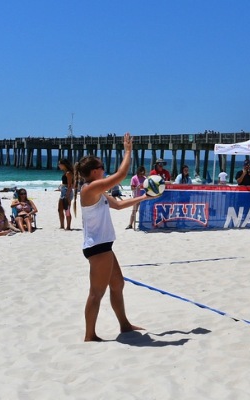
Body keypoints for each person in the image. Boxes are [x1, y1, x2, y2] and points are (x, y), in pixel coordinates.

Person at [77, 132, 152, 342]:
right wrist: (128, 151)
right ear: (94, 171)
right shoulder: (91, 188)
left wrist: (146, 197)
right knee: (96, 293)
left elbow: (118, 205)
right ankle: (90, 335)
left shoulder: (98, 191)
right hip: (97, 247)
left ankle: (125, 325)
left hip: (104, 246)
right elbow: (120, 176)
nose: (104, 169)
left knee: (117, 284)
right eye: (101, 167)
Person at [58, 159, 75, 230]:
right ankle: (62, 225)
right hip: (63, 191)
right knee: (60, 209)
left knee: (67, 209)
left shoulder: (68, 173)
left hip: (67, 191)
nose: (59, 166)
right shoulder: (65, 172)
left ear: (64, 165)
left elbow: (70, 185)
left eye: (60, 164)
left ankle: (68, 226)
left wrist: (67, 196)